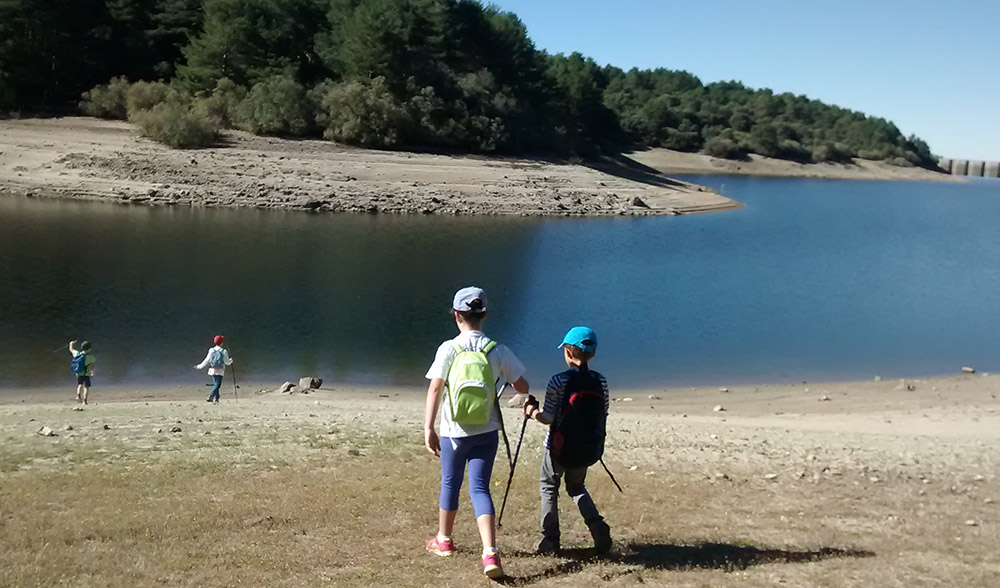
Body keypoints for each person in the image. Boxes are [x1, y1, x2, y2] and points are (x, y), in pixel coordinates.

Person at [423, 286, 530, 580]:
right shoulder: (497, 350)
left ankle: (444, 540)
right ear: (485, 315)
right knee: (480, 488)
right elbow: (523, 386)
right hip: (487, 429)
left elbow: (435, 388)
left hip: (454, 431)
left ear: (456, 315)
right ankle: (490, 553)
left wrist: (428, 427)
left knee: (450, 482)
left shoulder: (448, 349)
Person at [523, 326, 612, 554]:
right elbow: (604, 412)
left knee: (549, 487)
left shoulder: (558, 381)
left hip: (558, 447)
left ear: (568, 352)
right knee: (576, 486)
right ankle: (597, 525)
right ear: (593, 353)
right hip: (587, 446)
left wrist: (531, 411)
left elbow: (548, 418)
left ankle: (550, 539)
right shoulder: (600, 381)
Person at [194, 335, 233, 403]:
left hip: (212, 369)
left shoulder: (211, 350)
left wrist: (199, 366)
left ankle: (216, 398)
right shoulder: (224, 351)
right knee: (218, 384)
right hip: (220, 370)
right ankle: (211, 395)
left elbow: (207, 360)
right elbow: (227, 362)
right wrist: (231, 361)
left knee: (216, 384)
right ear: (221, 343)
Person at [69, 340, 95, 405]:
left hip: (79, 373)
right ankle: (85, 401)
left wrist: (71, 344)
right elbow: (92, 365)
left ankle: (78, 396)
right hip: (87, 374)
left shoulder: (77, 354)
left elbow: (71, 349)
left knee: (80, 384)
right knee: (86, 387)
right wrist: (92, 371)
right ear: (89, 349)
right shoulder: (91, 357)